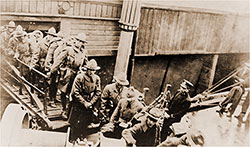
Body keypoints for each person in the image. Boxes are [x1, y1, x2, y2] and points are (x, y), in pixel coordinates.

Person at [48, 32, 88, 119]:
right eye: (79, 41)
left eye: (82, 42)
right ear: (76, 41)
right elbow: (58, 60)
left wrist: (84, 69)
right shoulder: (68, 49)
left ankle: (70, 110)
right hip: (67, 74)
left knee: (74, 93)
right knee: (64, 91)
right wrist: (52, 71)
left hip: (77, 74)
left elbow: (85, 63)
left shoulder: (84, 52)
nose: (80, 43)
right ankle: (63, 109)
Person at [68, 59, 101, 143]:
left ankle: (82, 137)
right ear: (87, 69)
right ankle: (73, 138)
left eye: (93, 70)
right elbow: (76, 92)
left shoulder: (97, 79)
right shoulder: (80, 77)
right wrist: (84, 102)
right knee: (75, 121)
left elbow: (98, 92)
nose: (92, 72)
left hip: (90, 102)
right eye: (90, 70)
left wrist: (91, 102)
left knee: (86, 121)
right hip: (78, 102)